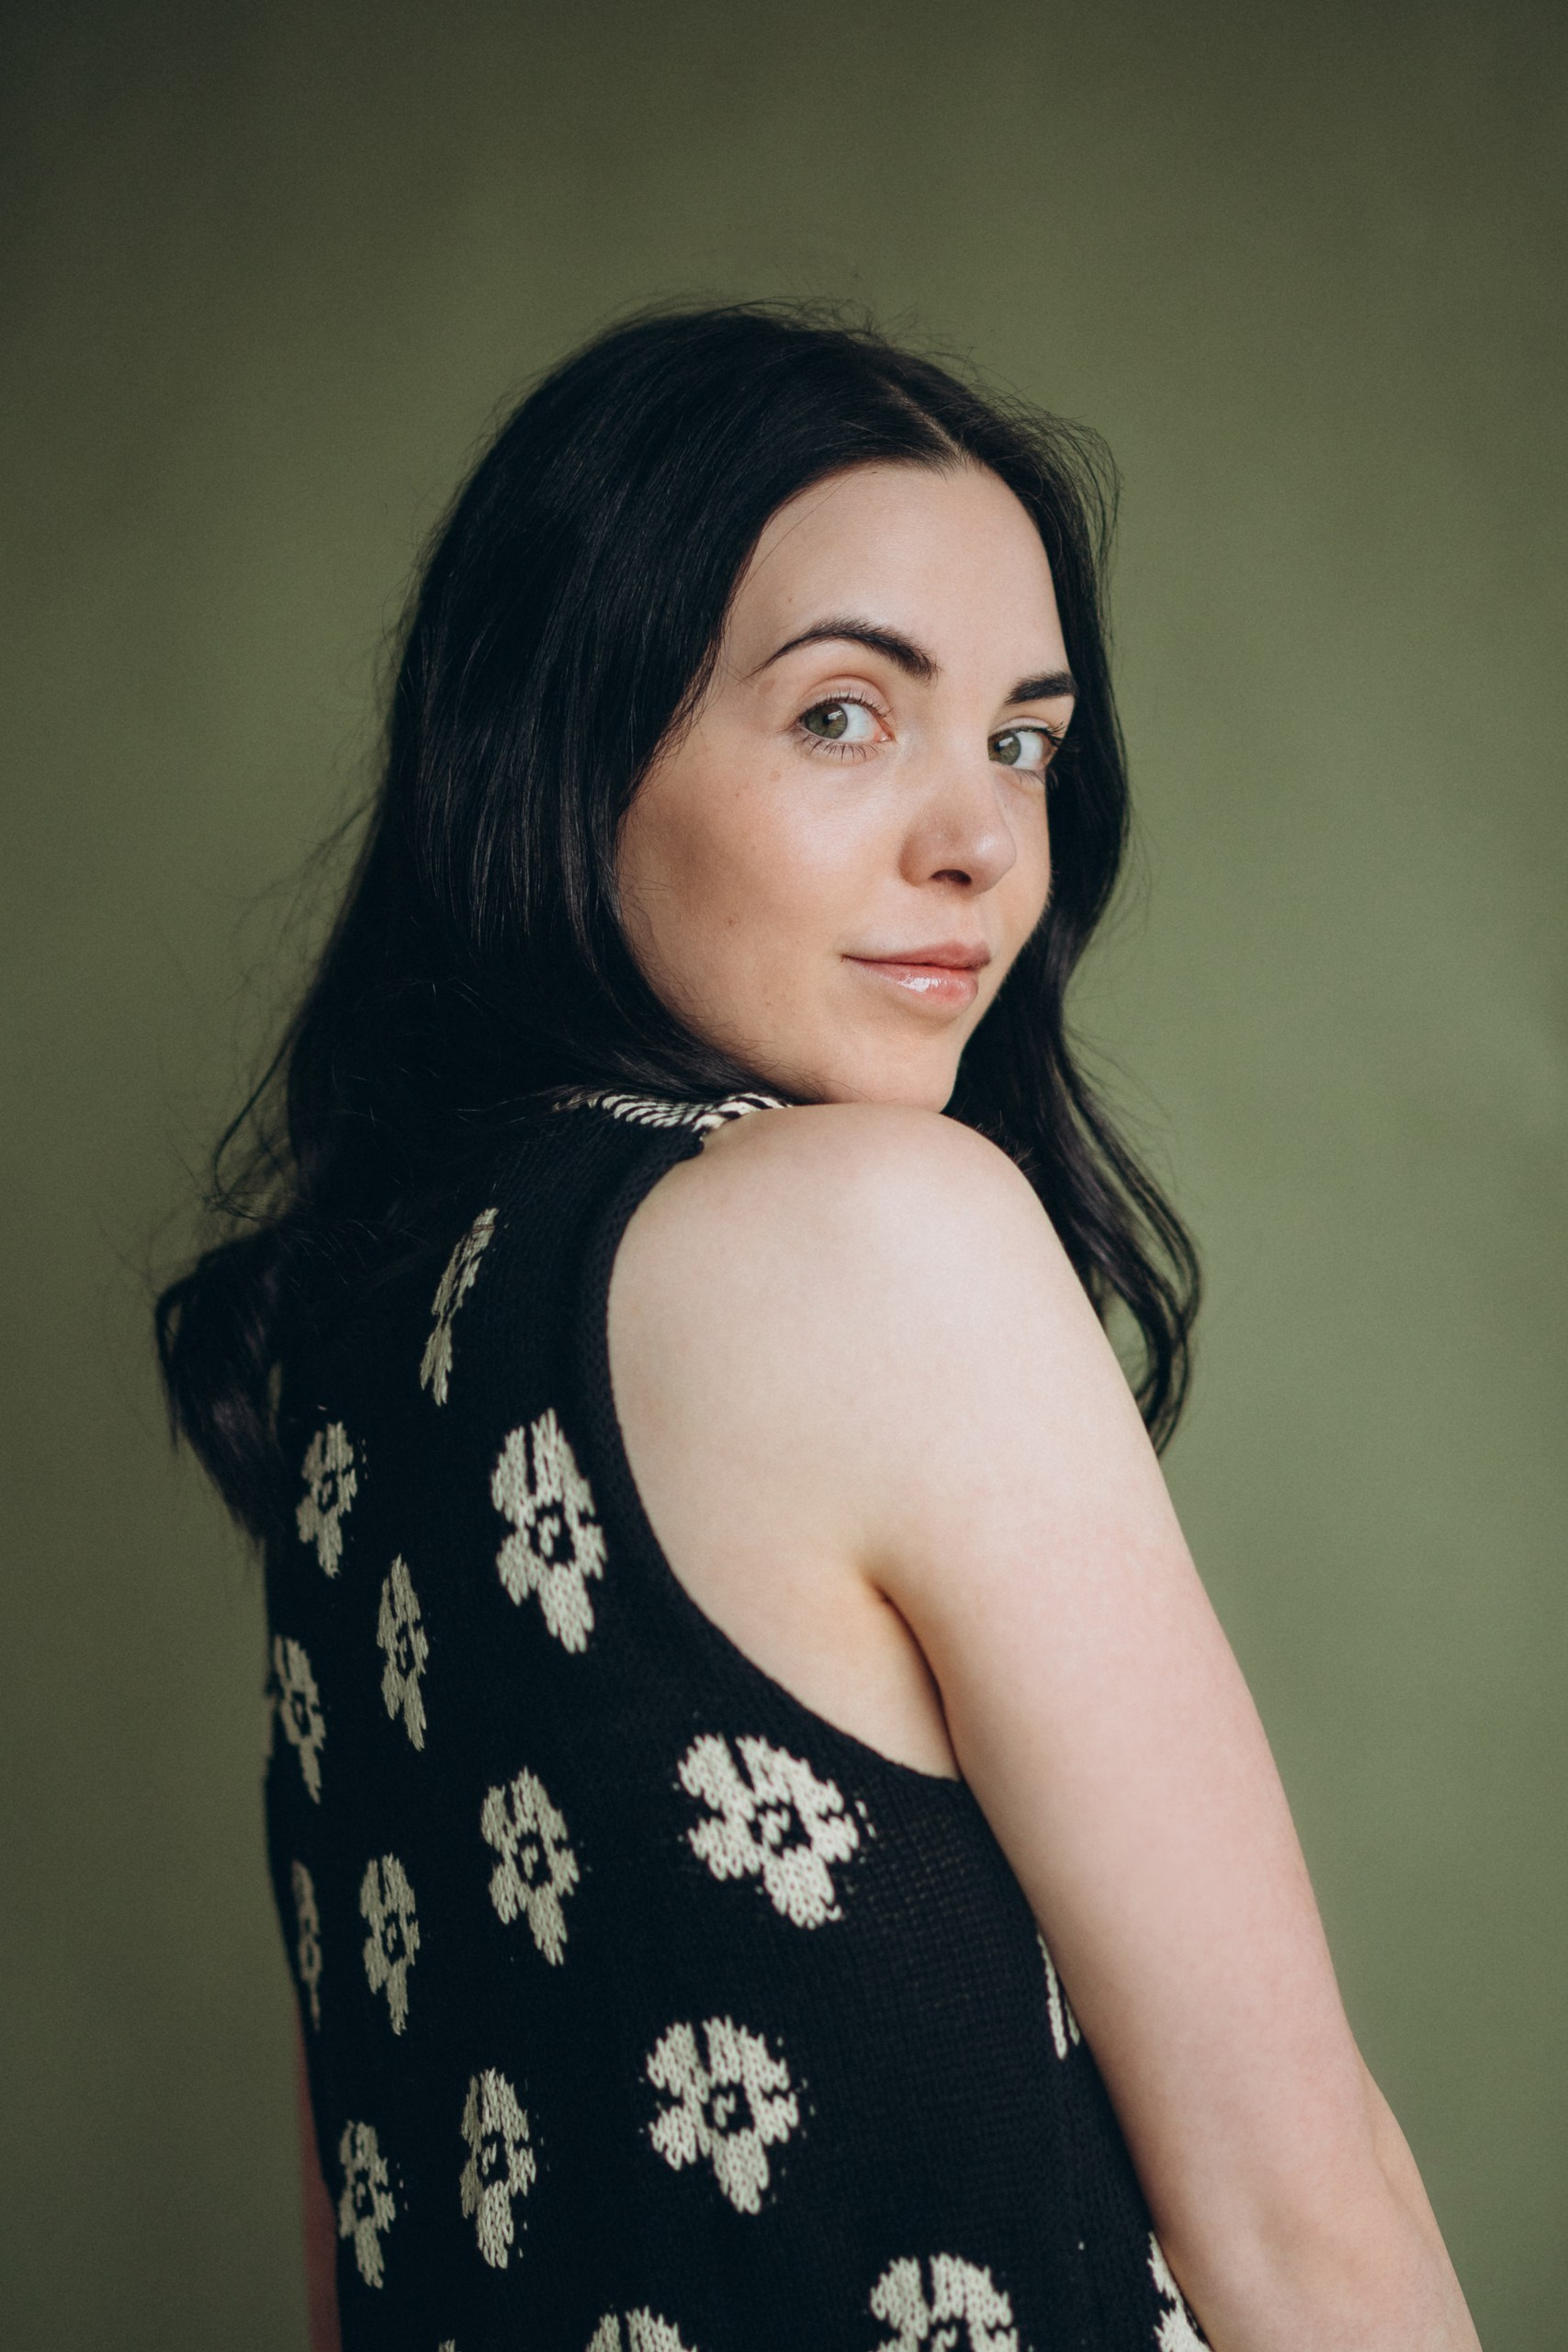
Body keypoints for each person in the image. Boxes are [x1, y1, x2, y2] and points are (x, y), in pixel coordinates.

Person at [156, 306, 1479, 2352]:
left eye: (1018, 738)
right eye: (845, 715)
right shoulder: (875, 1231)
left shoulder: (349, 1348)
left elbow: (363, 2245)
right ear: (565, 737)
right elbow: (1304, 2217)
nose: (977, 840)